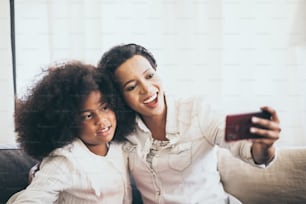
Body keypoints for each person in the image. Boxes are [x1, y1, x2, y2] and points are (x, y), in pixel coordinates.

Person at [97, 43, 282, 204]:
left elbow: (250, 152)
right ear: (120, 98)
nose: (147, 89)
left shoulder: (197, 110)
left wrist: (265, 145)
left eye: (149, 76)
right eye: (131, 86)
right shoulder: (120, 131)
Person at [7, 60, 135, 204]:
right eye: (88, 116)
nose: (101, 120)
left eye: (105, 108)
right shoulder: (66, 160)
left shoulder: (120, 146)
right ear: (67, 122)